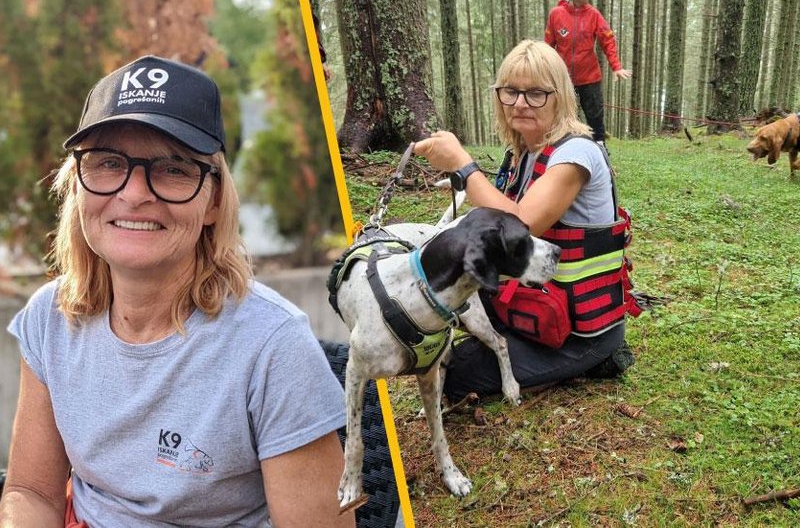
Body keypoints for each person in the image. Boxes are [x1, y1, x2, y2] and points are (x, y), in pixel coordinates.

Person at [0, 55, 354, 527]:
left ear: (212, 200)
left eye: (172, 168)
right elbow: (31, 492)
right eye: (108, 163)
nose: (134, 193)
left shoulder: (272, 344)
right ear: (77, 185)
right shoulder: (50, 317)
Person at [413, 40, 637, 403]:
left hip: (579, 332)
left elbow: (521, 223)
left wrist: (462, 165)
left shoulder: (576, 153)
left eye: (535, 93)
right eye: (511, 92)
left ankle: (594, 360)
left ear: (560, 96)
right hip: (533, 306)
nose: (520, 103)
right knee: (431, 319)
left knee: (453, 374)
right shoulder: (522, 154)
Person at [545, 0, 631, 147]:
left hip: (590, 78)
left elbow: (607, 40)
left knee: (595, 117)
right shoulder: (556, 14)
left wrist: (616, 66)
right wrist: (544, 69)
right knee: (563, 117)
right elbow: (548, 46)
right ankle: (563, 150)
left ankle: (600, 148)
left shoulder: (594, 15)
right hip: (563, 79)